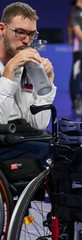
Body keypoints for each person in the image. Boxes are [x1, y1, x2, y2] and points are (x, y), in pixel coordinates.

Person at [0, 2, 56, 167]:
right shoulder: (12, 66)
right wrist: (9, 70)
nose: (26, 40)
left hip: (22, 137)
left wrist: (47, 83)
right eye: (20, 32)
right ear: (2, 29)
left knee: (66, 148)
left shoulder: (28, 67)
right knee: (50, 153)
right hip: (3, 140)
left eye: (31, 34)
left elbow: (38, 124)